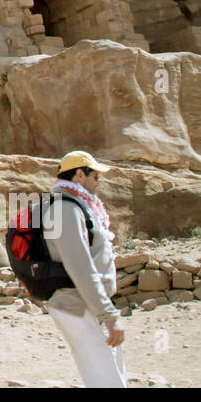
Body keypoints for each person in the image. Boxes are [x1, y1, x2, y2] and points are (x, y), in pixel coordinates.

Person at [43, 150, 126, 388]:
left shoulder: (77, 206)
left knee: (111, 373)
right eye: (95, 176)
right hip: (77, 304)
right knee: (106, 380)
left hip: (87, 303)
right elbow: (80, 268)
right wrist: (108, 314)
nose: (98, 182)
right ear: (80, 174)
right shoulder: (65, 209)